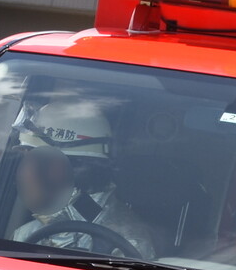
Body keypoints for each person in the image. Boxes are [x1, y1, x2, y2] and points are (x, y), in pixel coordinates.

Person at [9, 101, 157, 258]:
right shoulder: (26, 234)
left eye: (40, 162)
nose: (27, 174)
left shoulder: (126, 243)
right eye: (26, 161)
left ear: (77, 167)